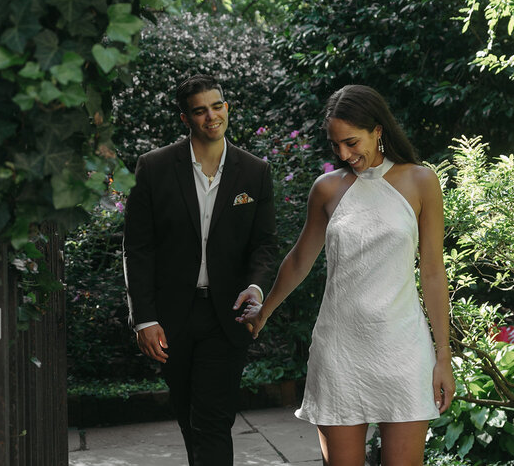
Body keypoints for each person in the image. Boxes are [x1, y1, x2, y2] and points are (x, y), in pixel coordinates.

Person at [238, 84, 455, 465]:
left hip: (403, 347)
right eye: (336, 145)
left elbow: (434, 272)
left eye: (352, 142)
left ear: (378, 130)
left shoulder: (421, 182)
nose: (344, 154)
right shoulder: (327, 189)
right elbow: (300, 260)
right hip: (339, 350)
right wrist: (265, 311)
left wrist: (443, 355)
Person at [123, 74, 277, 465]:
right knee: (191, 419)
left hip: (226, 315)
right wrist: (144, 319)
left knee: (212, 419)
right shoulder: (154, 168)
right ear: (185, 119)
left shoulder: (254, 171)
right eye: (200, 110)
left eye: (217, 105)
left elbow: (264, 245)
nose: (212, 116)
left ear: (227, 107)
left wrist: (257, 290)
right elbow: (137, 248)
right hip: (172, 318)